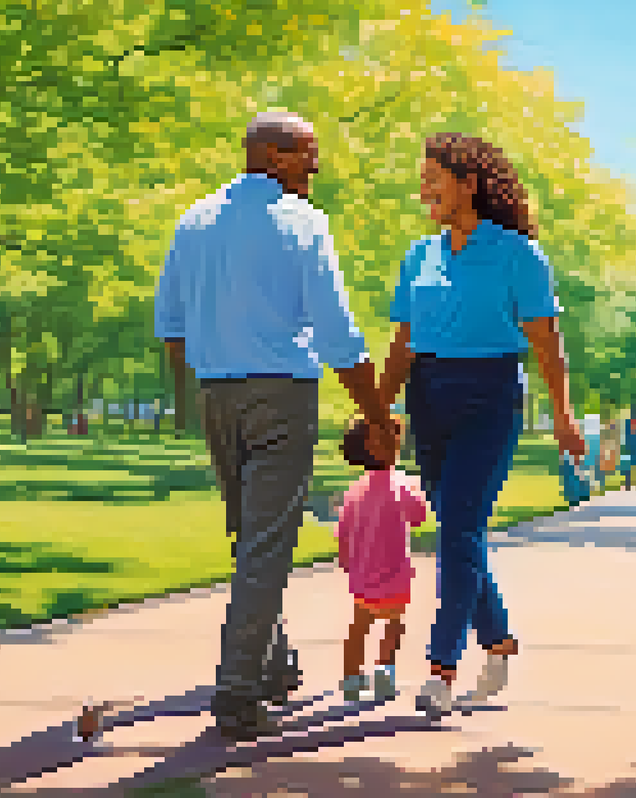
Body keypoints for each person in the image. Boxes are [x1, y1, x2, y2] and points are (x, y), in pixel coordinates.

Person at [153, 111, 396, 743]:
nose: (315, 166)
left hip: (217, 394)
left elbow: (171, 327)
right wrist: (376, 415)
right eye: (305, 154)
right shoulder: (302, 222)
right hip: (282, 395)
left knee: (248, 535)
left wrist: (213, 380)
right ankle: (237, 692)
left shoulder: (194, 221)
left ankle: (274, 662)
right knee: (266, 543)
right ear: (270, 154)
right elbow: (339, 333)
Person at [376, 132, 586, 718]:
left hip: (491, 396)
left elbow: (547, 343)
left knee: (459, 527)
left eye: (433, 179)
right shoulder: (419, 256)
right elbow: (403, 344)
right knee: (457, 528)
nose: (424, 190)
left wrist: (564, 415)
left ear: (469, 183)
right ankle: (497, 639)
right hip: (428, 400)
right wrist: (379, 409)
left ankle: (441, 668)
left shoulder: (518, 255)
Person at [335, 417, 427, 703]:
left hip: (363, 573)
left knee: (359, 626)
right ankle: (385, 670)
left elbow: (343, 531)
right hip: (396, 571)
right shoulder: (403, 484)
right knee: (394, 622)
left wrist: (346, 561)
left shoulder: (355, 490)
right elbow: (419, 516)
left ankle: (351, 677)